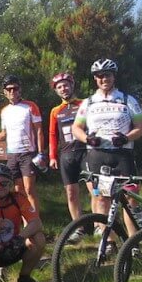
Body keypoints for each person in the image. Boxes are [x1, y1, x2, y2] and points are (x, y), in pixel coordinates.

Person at [71, 58, 142, 236]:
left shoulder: (127, 100)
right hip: (98, 155)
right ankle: (109, 241)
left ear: (114, 77)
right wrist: (87, 139)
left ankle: (133, 241)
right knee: (102, 198)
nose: (103, 79)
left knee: (130, 198)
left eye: (107, 75)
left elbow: (141, 127)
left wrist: (126, 137)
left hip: (122, 155)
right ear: (95, 78)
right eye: (99, 76)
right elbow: (76, 128)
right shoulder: (88, 102)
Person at [0, 75, 45, 213]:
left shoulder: (30, 106)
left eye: (15, 88)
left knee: (29, 189)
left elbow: (39, 130)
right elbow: (3, 134)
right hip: (12, 154)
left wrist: (41, 152)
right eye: (9, 89)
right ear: (4, 92)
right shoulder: (4, 111)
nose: (12, 91)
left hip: (27, 152)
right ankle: (23, 218)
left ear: (20, 90)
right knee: (18, 191)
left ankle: (35, 221)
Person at [0, 164, 46, 282]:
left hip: (14, 246)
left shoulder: (18, 199)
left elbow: (36, 223)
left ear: (10, 184)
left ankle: (24, 278)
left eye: (4, 183)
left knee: (39, 238)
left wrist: (19, 239)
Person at [48, 72, 87, 240]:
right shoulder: (56, 111)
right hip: (66, 154)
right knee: (71, 193)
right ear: (56, 91)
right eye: (59, 87)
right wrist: (52, 156)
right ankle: (79, 228)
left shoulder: (84, 104)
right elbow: (52, 134)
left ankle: (101, 226)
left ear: (72, 86)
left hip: (86, 151)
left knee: (96, 190)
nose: (63, 89)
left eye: (66, 85)